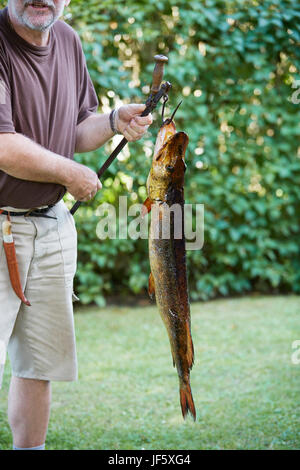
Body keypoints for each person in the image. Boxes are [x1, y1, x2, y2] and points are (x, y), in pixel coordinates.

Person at [0, 0, 153, 450]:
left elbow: (76, 129)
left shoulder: (67, 39)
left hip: (51, 226)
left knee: (38, 365)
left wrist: (111, 121)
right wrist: (68, 173)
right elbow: (3, 145)